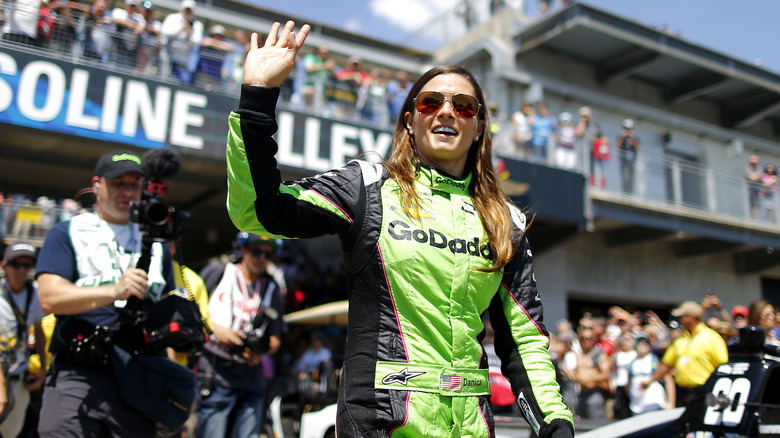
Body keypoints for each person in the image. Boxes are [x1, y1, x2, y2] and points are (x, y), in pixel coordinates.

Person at [225, 22, 574, 437]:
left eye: (464, 106)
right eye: (431, 102)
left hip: (473, 427)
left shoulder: (506, 221)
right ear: (410, 120)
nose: (447, 112)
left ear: (479, 127)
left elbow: (524, 341)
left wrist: (554, 421)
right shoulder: (367, 187)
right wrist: (257, 100)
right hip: (380, 422)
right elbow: (259, 211)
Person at [35, 149, 178, 436]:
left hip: (139, 379)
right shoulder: (68, 231)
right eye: (118, 183)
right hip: (79, 373)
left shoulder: (159, 243)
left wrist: (170, 379)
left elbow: (164, 315)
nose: (127, 191)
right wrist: (115, 290)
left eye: (134, 184)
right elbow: (49, 297)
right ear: (97, 185)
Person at [196, 232, 284, 438]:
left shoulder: (272, 289)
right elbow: (192, 313)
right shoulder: (218, 273)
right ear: (244, 250)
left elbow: (276, 339)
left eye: (267, 255)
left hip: (251, 376)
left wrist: (261, 351)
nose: (261, 258)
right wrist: (215, 330)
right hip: (215, 372)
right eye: (256, 252)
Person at [643, 301, 728, 408]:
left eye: (681, 317)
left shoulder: (712, 338)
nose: (679, 320)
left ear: (690, 318)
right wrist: (650, 381)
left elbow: (722, 366)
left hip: (702, 392)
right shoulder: (680, 340)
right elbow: (667, 365)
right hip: (681, 392)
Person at [0, 242, 47, 438]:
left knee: (12, 432)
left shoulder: (34, 293)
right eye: (16, 264)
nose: (21, 270)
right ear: (4, 266)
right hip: (1, 377)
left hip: (19, 377)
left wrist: (44, 369)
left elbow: (39, 331)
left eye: (27, 266)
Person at [627, 334, 673, 415]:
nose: (643, 346)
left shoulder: (655, 360)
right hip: (637, 405)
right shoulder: (632, 363)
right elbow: (628, 383)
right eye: (640, 343)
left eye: (646, 344)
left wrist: (671, 402)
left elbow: (668, 380)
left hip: (654, 402)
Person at [161, 0, 203, 84]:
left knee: (181, 83)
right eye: (186, 10)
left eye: (189, 10)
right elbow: (165, 32)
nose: (187, 12)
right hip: (168, 58)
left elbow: (197, 42)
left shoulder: (197, 24)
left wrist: (188, 34)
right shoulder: (172, 18)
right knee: (164, 81)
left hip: (183, 62)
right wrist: (180, 30)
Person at [110, 0, 145, 68]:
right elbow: (116, 20)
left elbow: (141, 26)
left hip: (130, 51)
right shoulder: (119, 11)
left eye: (133, 6)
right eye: (130, 5)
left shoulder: (139, 17)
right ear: (126, 5)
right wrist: (129, 24)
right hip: (117, 48)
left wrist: (136, 27)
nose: (131, 8)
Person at [617, 118, 639, 194]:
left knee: (630, 178)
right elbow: (618, 144)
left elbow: (636, 146)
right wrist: (623, 136)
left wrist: (631, 137)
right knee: (624, 177)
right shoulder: (620, 138)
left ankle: (629, 193)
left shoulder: (635, 139)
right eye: (626, 129)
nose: (628, 131)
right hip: (623, 161)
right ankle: (624, 193)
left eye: (629, 129)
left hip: (631, 161)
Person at [745, 155, 762, 219]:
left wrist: (755, 176)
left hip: (757, 190)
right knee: (750, 205)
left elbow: (760, 176)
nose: (754, 164)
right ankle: (750, 218)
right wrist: (756, 176)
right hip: (750, 189)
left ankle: (755, 219)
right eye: (753, 162)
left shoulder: (759, 168)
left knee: (756, 205)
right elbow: (751, 177)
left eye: (755, 162)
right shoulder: (747, 168)